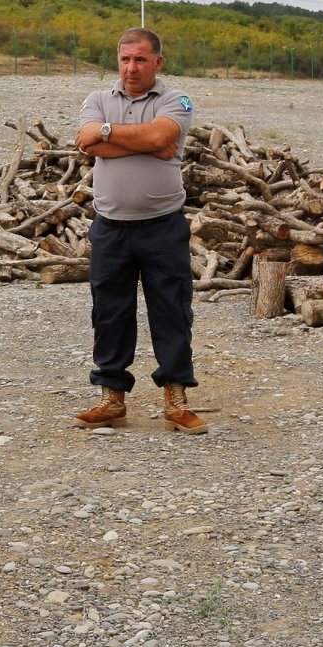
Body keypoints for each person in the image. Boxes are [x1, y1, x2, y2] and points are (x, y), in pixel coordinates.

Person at [73, 27, 207, 434]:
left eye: (141, 60)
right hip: (110, 229)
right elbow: (86, 142)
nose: (131, 68)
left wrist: (108, 134)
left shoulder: (175, 100)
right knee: (109, 313)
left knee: (172, 311)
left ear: (158, 62)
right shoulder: (98, 99)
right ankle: (112, 399)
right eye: (125, 59)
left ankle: (176, 400)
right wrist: (142, 142)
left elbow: (162, 135)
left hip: (163, 227)